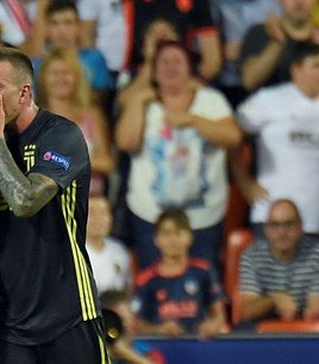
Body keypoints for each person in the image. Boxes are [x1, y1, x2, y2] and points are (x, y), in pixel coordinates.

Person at [0, 47, 123, 364]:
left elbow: (24, 200)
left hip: (67, 311)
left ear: (24, 91)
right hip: (6, 316)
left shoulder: (62, 135)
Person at [115, 40, 242, 270]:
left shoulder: (210, 100)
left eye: (177, 61)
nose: (171, 67)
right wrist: (138, 100)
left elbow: (233, 137)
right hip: (151, 217)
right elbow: (126, 142)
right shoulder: (144, 103)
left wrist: (193, 120)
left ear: (189, 68)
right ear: (153, 70)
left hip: (203, 218)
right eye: (164, 62)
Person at [235, 41, 319, 235]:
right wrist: (244, 183)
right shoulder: (266, 100)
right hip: (271, 215)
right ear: (296, 69)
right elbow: (232, 136)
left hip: (315, 218)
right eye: (315, 66)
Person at [132, 208, 227, 339]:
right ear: (156, 239)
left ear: (189, 236)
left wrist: (212, 326)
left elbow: (219, 315)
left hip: (198, 344)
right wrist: (159, 330)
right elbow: (136, 324)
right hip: (160, 349)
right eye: (166, 234)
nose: (173, 240)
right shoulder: (146, 279)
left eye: (178, 233)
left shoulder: (204, 271)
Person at [35, 47, 114, 195]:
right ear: (43, 78)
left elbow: (106, 162)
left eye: (66, 73)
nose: (60, 78)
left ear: (76, 77)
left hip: (87, 203)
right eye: (54, 73)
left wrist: (65, 162)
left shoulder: (92, 116)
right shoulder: (32, 119)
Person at [238, 199, 319, 324]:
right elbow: (248, 311)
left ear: (300, 227)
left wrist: (312, 312)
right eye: (275, 225)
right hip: (263, 326)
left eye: (289, 224)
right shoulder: (251, 255)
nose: (282, 232)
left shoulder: (316, 253)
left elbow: (315, 305)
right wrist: (274, 299)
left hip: (304, 325)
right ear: (266, 229)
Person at [240, 0, 317, 92]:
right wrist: (277, 41)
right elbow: (249, 82)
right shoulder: (260, 33)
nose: (299, 2)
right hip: (269, 105)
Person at [100, 290, 165, 364]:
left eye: (123, 319)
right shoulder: (91, 352)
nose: (120, 325)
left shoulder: (146, 351)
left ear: (133, 319)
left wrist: (122, 352)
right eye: (114, 320)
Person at [86, 194, 132, 294]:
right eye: (92, 213)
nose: (99, 219)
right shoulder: (72, 251)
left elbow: (126, 287)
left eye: (103, 213)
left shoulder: (119, 249)